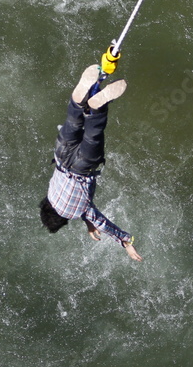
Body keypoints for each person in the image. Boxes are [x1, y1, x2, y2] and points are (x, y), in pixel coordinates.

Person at [39, 64, 143, 261]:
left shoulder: (79, 210)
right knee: (73, 122)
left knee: (93, 134)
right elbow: (72, 207)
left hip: (83, 166)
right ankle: (78, 102)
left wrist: (126, 242)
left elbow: (101, 223)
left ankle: (97, 108)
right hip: (61, 155)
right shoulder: (52, 195)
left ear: (64, 220)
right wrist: (87, 221)